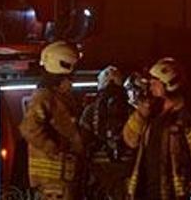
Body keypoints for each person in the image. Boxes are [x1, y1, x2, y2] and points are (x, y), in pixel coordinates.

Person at [123, 57, 191, 200]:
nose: (150, 87)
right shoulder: (150, 113)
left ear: (169, 85)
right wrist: (141, 113)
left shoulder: (187, 117)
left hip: (174, 192)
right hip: (145, 190)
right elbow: (130, 140)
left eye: (155, 84)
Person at [20, 41, 86, 200]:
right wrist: (53, 147)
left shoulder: (57, 96)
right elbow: (29, 128)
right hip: (53, 180)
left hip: (62, 177)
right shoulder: (44, 96)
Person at [81, 65, 132, 200]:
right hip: (125, 165)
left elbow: (83, 140)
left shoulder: (90, 110)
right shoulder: (130, 110)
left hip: (99, 167)